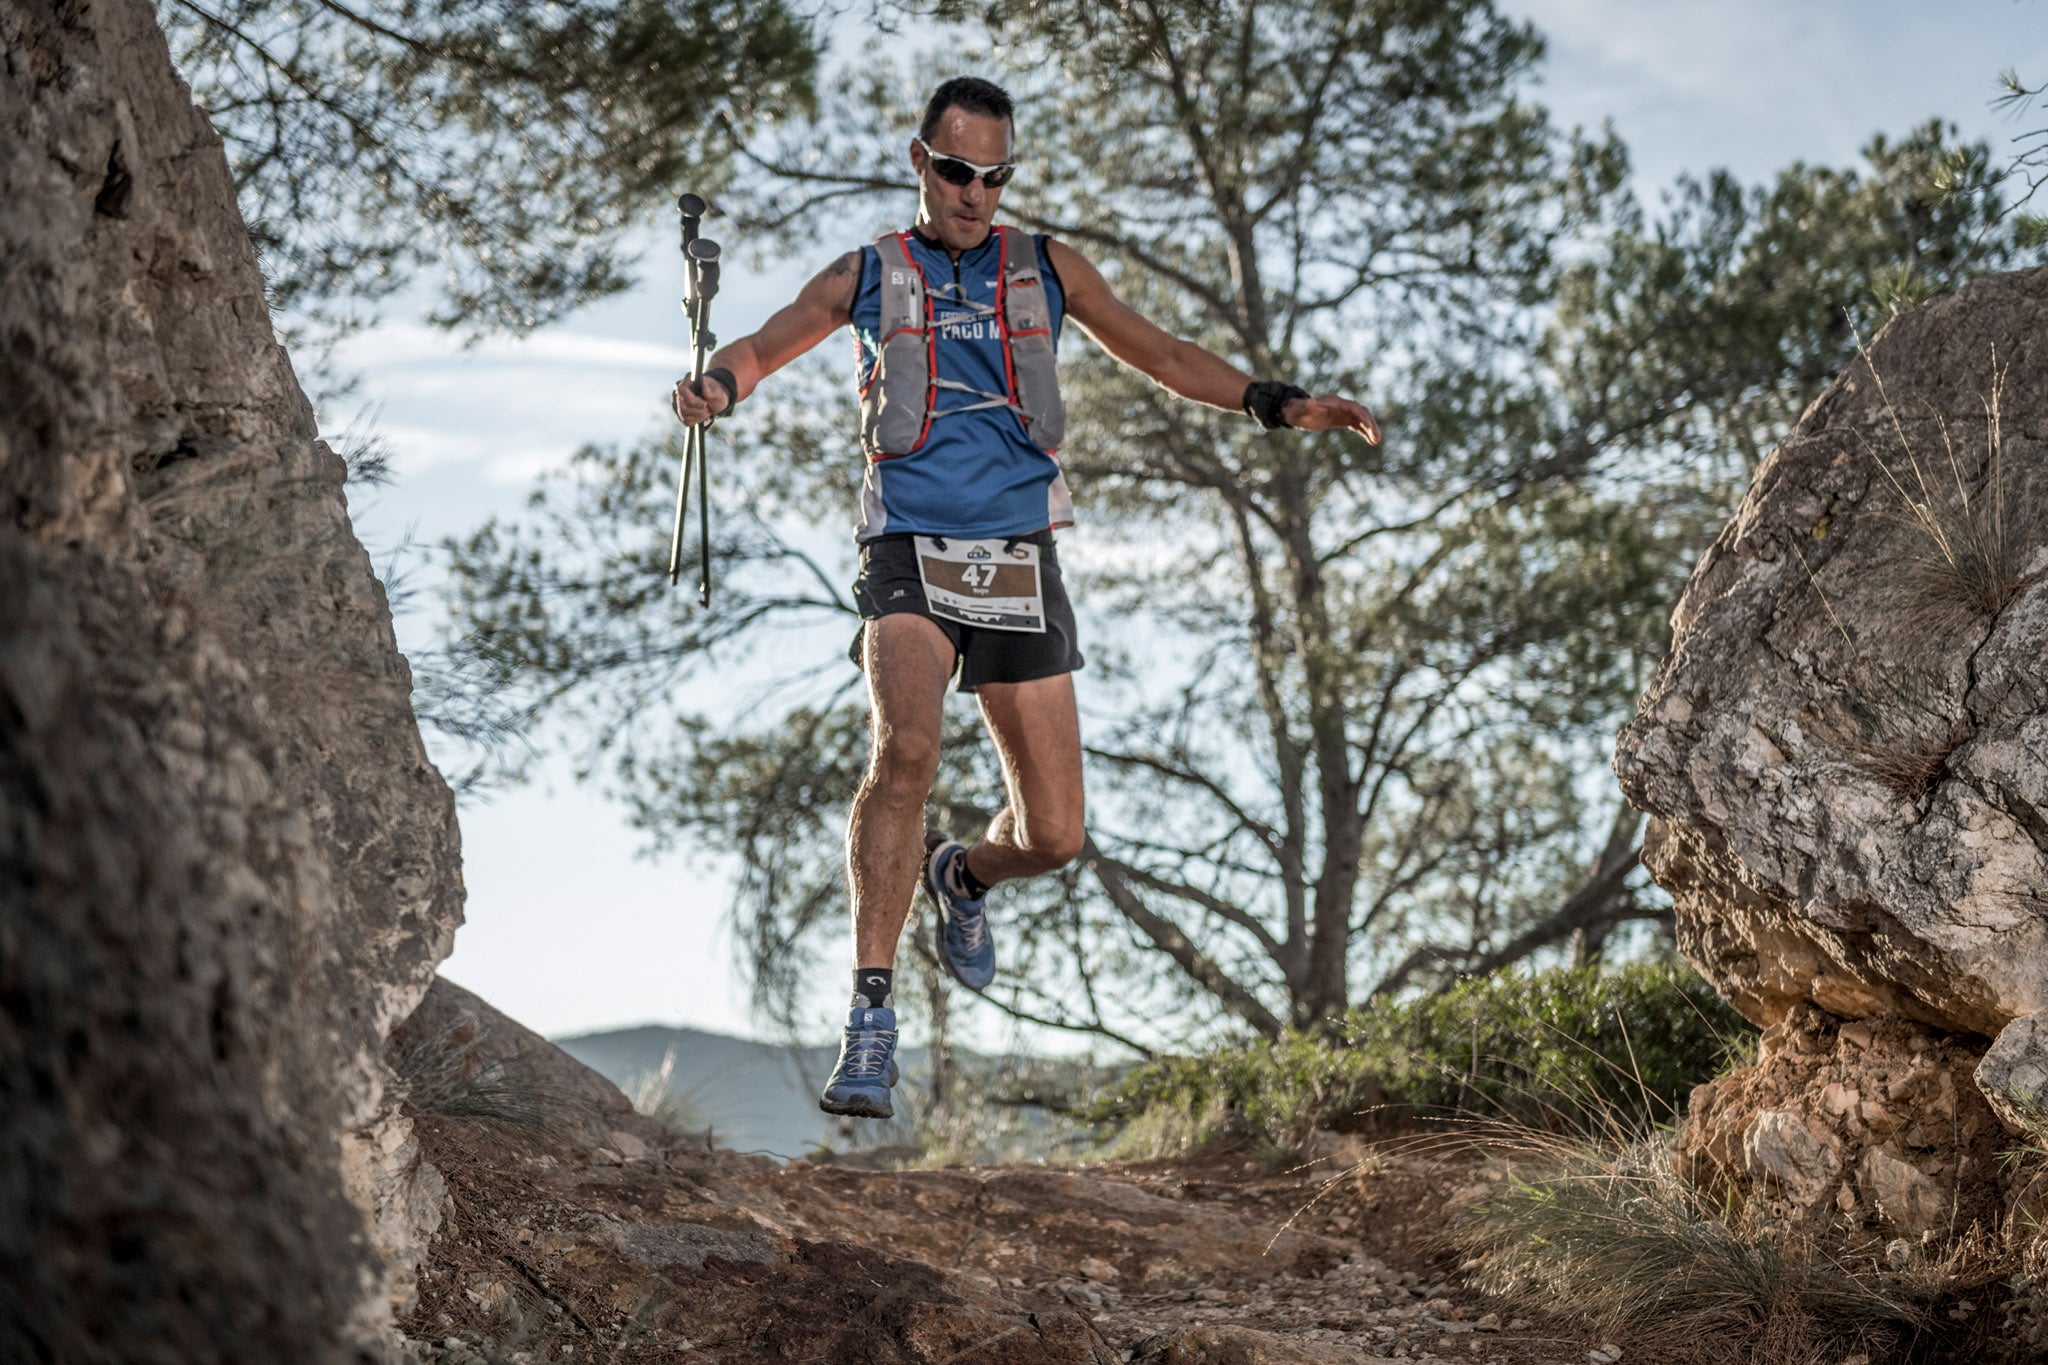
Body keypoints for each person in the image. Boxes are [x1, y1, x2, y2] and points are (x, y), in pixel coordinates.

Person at [672, 76, 1379, 1119]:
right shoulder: (870, 270)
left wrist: (1276, 403)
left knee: (1053, 836)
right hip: (909, 545)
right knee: (905, 749)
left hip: (1016, 556)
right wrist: (717, 388)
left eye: (993, 176)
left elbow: (1161, 352)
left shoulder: (1045, 266)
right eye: (957, 171)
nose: (974, 193)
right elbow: (767, 342)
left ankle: (962, 878)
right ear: (921, 162)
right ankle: (870, 1019)